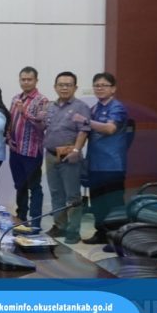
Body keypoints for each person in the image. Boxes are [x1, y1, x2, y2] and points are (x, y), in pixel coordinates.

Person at [74, 72, 130, 245]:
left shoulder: (117, 108)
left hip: (112, 164)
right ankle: (101, 234)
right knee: (97, 201)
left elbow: (109, 129)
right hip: (95, 163)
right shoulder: (94, 109)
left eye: (104, 85)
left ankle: (116, 238)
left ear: (113, 88)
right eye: (96, 85)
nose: (99, 88)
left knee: (113, 203)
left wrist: (86, 121)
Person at [42, 71, 91, 244]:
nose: (64, 88)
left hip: (69, 155)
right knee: (56, 193)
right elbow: (46, 127)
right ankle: (60, 225)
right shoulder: (51, 106)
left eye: (68, 85)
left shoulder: (81, 107)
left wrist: (76, 150)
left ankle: (73, 231)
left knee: (72, 196)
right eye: (61, 85)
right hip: (50, 155)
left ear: (75, 87)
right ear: (55, 87)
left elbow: (83, 131)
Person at [7, 67, 49, 228]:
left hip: (31, 151)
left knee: (34, 187)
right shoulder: (15, 98)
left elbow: (42, 126)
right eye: (23, 79)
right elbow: (11, 121)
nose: (26, 82)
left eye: (29, 79)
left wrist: (25, 113)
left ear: (36, 80)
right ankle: (21, 219)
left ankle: (36, 222)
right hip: (15, 151)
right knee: (20, 186)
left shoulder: (42, 100)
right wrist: (8, 138)